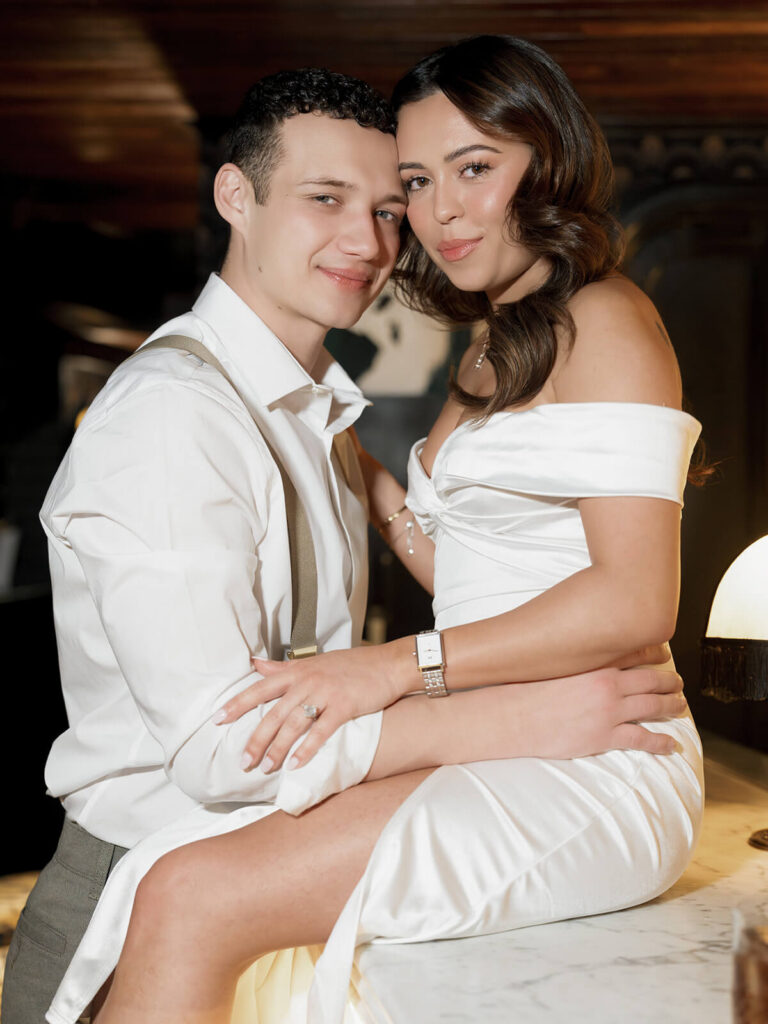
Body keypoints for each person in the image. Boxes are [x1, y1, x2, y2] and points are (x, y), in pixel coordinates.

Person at [30, 46, 694, 1024]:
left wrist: (391, 661)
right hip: (173, 827)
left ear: (545, 158)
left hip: (593, 742)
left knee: (191, 894)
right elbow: (476, 567)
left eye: (461, 173)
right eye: (416, 186)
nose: (424, 220)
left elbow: (633, 597)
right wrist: (386, 509)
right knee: (183, 889)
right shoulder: (200, 410)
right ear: (234, 195)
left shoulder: (600, 316)